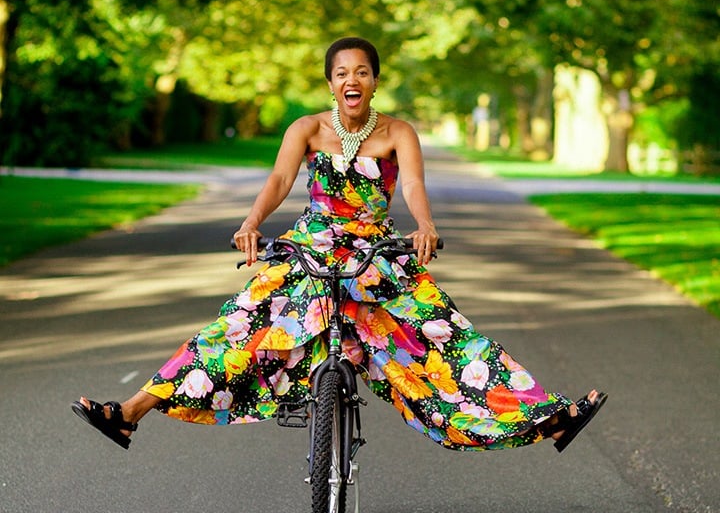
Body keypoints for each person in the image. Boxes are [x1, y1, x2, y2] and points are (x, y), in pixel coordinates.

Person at [72, 36, 606, 452]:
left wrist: (423, 225)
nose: (352, 79)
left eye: (362, 72)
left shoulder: (398, 132)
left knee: (445, 339)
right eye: (342, 72)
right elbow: (279, 183)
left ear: (374, 81)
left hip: (375, 252)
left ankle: (550, 419)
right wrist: (253, 220)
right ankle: (128, 415)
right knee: (237, 327)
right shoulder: (305, 128)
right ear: (331, 83)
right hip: (312, 247)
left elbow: (415, 186)